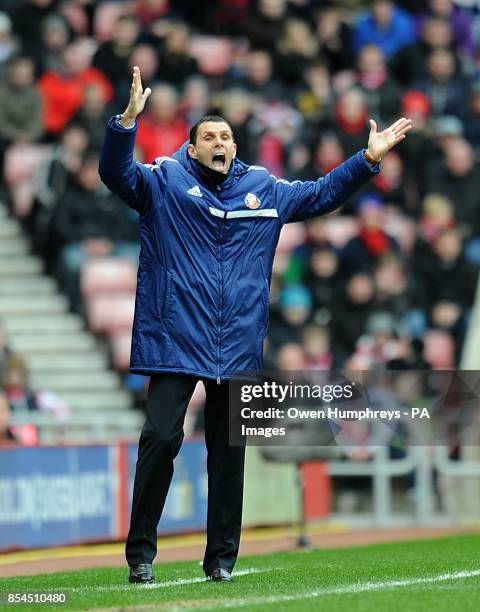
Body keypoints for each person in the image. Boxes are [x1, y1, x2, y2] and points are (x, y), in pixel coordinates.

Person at [98, 66, 411, 584]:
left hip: (237, 345)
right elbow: (116, 175)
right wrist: (124, 124)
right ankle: (141, 556)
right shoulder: (164, 181)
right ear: (192, 150)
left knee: (229, 456)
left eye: (225, 135)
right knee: (159, 439)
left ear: (234, 146)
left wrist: (367, 158)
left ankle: (221, 560)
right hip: (175, 337)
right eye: (208, 137)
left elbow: (320, 194)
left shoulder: (264, 188)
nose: (219, 142)